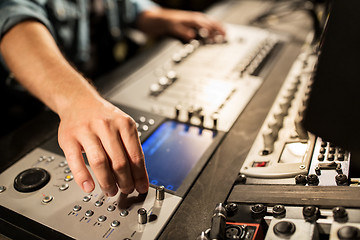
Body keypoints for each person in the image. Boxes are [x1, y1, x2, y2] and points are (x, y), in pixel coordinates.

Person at [0, 0, 225, 197]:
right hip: (32, 116)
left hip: (104, 91)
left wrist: (156, 17)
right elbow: (13, 22)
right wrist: (76, 101)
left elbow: (125, 7)